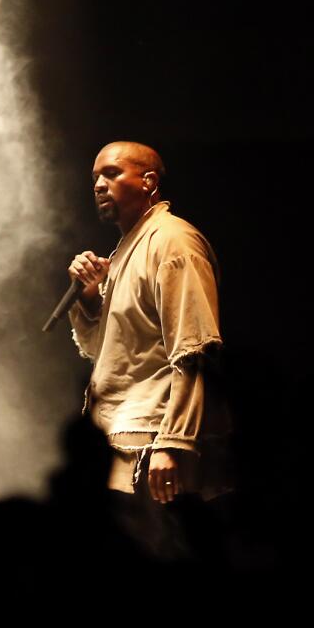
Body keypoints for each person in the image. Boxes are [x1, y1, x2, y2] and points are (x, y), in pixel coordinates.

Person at [66, 142, 227, 513]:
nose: (99, 185)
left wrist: (173, 441)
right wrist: (90, 300)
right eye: (95, 178)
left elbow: (195, 349)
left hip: (154, 442)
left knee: (166, 559)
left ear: (148, 181)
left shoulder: (173, 241)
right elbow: (106, 351)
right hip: (122, 435)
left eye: (112, 173)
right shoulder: (127, 248)